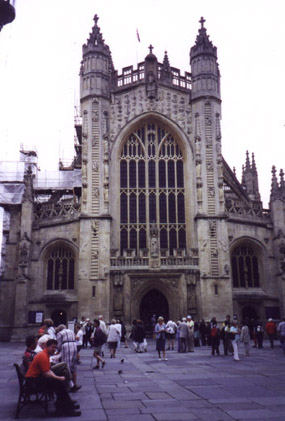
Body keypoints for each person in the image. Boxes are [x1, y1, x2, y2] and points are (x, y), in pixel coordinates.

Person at [25, 339, 81, 417]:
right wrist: (58, 378)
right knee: (59, 384)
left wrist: (58, 378)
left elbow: (48, 371)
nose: (54, 349)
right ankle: (67, 409)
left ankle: (66, 407)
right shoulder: (43, 356)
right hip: (33, 382)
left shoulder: (45, 354)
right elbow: (47, 373)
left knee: (59, 384)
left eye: (55, 348)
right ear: (47, 347)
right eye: (52, 347)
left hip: (35, 379)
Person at [56, 325, 81, 392]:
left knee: (67, 366)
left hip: (67, 347)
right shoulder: (71, 331)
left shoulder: (60, 333)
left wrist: (57, 351)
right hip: (74, 346)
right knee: (73, 366)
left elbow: (58, 344)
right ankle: (75, 384)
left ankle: (69, 386)